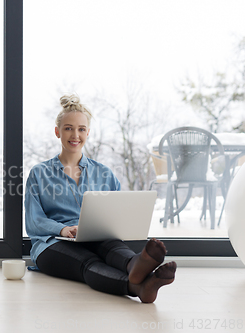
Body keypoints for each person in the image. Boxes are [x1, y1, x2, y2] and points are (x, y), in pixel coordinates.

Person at [24, 93, 176, 303]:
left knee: (114, 248)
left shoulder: (104, 173)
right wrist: (62, 229)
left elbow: (117, 212)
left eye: (81, 129)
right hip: (51, 244)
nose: (75, 134)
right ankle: (137, 287)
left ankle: (136, 264)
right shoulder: (39, 173)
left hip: (94, 236)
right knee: (89, 262)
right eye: (68, 128)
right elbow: (34, 221)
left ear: (88, 132)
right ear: (58, 132)